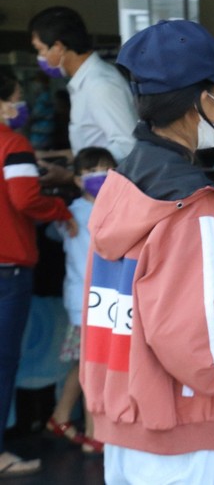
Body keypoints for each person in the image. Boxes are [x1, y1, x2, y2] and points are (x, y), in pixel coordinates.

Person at [82, 19, 214, 484]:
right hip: (184, 431)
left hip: (128, 422)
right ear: (198, 101)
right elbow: (193, 345)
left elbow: (145, 296)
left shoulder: (122, 186)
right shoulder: (193, 207)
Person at [0, 70, 76, 478]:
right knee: (2, 361)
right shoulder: (13, 144)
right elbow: (26, 198)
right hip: (7, 267)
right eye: (16, 97)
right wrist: (61, 210)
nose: (20, 106)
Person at [46, 147, 116, 456]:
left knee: (85, 363)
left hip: (100, 300)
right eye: (90, 172)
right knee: (95, 366)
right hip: (87, 302)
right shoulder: (72, 214)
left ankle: (61, 416)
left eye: (105, 170)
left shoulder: (110, 209)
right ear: (76, 180)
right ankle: (93, 434)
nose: (98, 176)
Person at [28, 6, 138, 183]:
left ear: (58, 47)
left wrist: (73, 176)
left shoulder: (100, 85)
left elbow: (128, 146)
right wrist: (49, 156)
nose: (41, 57)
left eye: (40, 50)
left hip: (108, 189)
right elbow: (94, 145)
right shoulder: (85, 82)